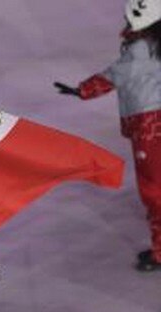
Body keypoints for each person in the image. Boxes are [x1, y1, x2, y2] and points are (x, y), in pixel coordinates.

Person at [54, 0, 161, 271]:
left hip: (150, 126)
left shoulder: (139, 50)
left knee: (154, 189)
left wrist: (82, 90)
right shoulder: (149, 46)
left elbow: (114, 75)